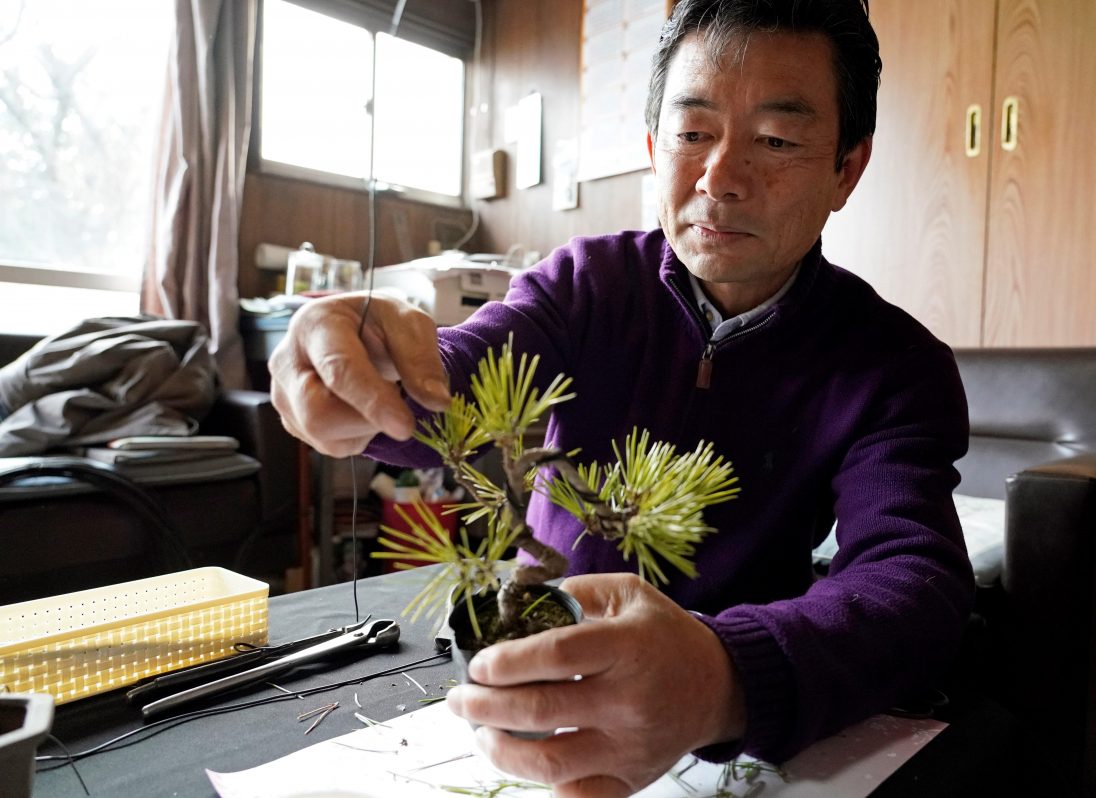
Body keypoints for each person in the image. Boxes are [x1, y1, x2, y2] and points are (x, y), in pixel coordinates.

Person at [268, 1, 973, 796]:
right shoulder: (584, 289)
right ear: (651, 148)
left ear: (846, 168)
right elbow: (458, 379)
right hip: (537, 664)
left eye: (775, 140)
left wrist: (721, 677)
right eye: (692, 133)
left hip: (730, 727)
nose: (720, 179)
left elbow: (913, 584)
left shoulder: (892, 364)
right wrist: (370, 371)